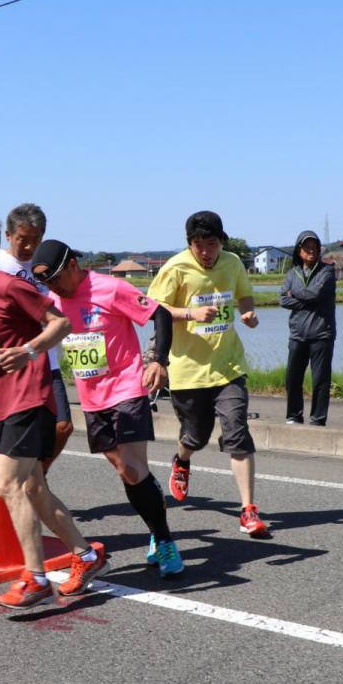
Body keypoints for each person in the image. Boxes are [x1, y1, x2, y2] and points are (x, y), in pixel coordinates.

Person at [0, 208, 108, 609]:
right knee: (33, 488)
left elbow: (59, 324)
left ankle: (36, 579)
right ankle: (86, 555)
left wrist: (30, 349)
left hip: (28, 398)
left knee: (8, 485)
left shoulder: (9, 286)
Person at [31, 239, 186, 577]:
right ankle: (155, 524)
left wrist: (159, 360)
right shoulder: (53, 301)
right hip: (92, 398)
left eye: (56, 278)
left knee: (132, 469)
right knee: (129, 471)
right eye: (46, 282)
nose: (52, 286)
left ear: (73, 265)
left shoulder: (110, 288)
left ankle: (164, 541)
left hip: (128, 388)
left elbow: (158, 313)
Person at [146, 210, 269, 538]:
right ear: (190, 244)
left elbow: (244, 294)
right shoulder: (175, 268)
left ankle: (248, 510)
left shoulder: (232, 262)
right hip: (187, 370)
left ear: (221, 241)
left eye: (211, 243)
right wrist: (190, 313)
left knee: (237, 431)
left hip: (228, 366)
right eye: (198, 245)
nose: (205, 251)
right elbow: (152, 309)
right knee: (196, 437)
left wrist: (249, 313)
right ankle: (182, 460)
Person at [0, 203, 74, 470]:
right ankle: (23, 488)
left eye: (36, 240)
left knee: (62, 426)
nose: (29, 247)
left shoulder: (45, 265)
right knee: (11, 436)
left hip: (46, 358)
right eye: (22, 240)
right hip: (10, 361)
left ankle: (38, 478)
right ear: (8, 235)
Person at [279, 230, 336, 425]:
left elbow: (316, 293)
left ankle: (318, 419)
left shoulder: (327, 271)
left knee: (320, 380)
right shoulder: (291, 273)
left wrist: (295, 293)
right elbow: (283, 300)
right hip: (297, 334)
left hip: (321, 334)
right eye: (307, 247)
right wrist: (307, 299)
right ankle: (294, 416)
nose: (312, 250)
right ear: (299, 250)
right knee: (292, 378)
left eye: (315, 246)